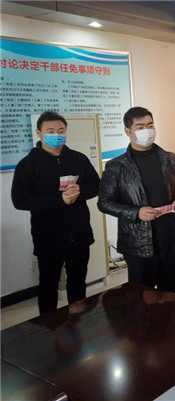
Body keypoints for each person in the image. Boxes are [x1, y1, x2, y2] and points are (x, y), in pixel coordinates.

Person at [11, 110, 100, 315]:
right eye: (50, 131)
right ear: (39, 133)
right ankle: (47, 328)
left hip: (79, 234)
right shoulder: (28, 165)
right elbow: (20, 200)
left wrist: (80, 191)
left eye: (61, 130)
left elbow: (96, 185)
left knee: (78, 282)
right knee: (48, 285)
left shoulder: (78, 159)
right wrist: (59, 200)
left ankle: (78, 322)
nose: (56, 134)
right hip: (48, 236)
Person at [98, 107, 175, 293]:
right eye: (140, 126)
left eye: (150, 125)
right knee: (141, 295)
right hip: (138, 242)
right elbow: (104, 202)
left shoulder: (170, 158)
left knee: (171, 292)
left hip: (171, 237)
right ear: (128, 131)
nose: (147, 130)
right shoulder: (116, 166)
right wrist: (136, 212)